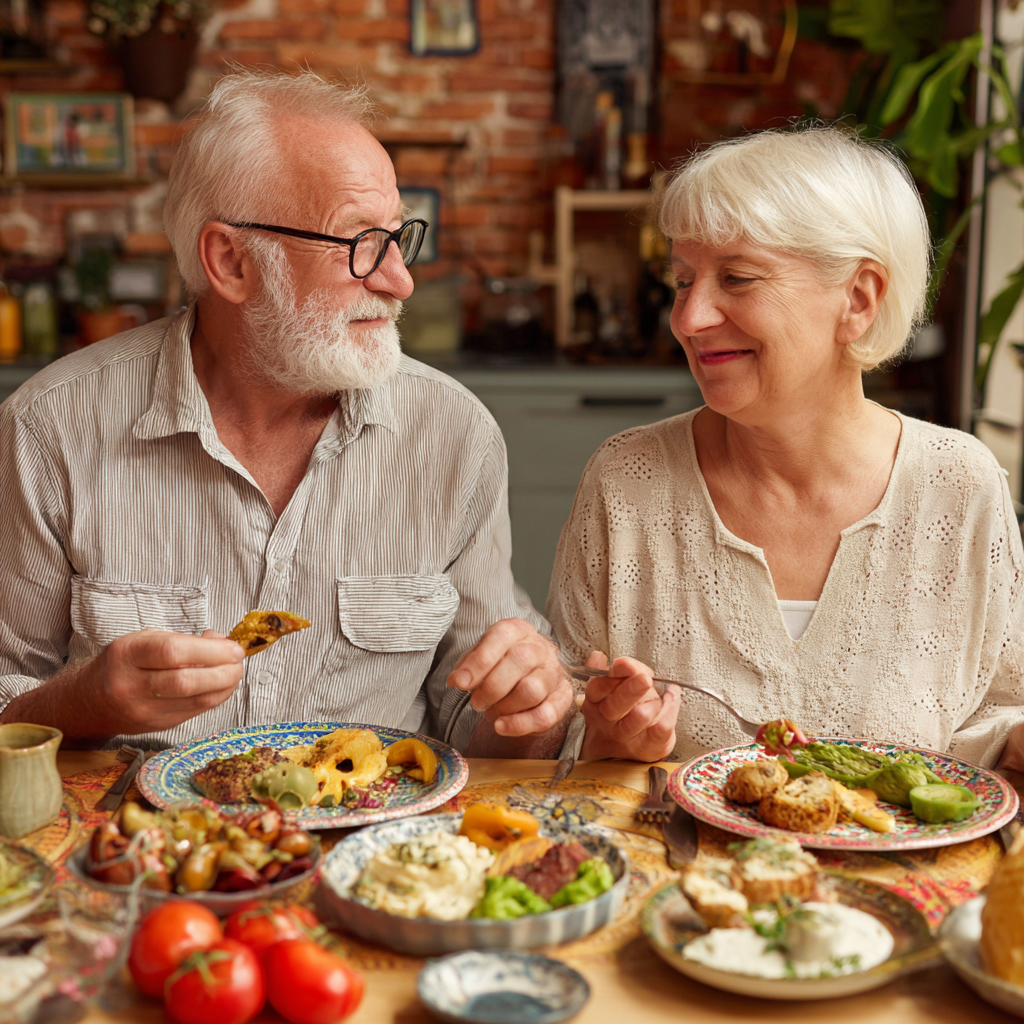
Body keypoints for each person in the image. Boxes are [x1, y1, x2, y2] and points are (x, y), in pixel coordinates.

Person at [0, 69, 575, 755]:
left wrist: (534, 706)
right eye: (360, 243)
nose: (400, 281)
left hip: (377, 822)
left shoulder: (455, 434)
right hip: (137, 822)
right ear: (231, 261)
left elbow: (478, 723)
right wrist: (84, 702)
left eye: (398, 237)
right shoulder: (48, 430)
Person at [548, 126, 1024, 769]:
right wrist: (610, 742)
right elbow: (563, 734)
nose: (689, 319)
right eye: (683, 281)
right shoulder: (625, 481)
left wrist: (1015, 743)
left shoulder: (961, 485)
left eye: (738, 278)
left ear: (858, 299)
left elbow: (998, 712)